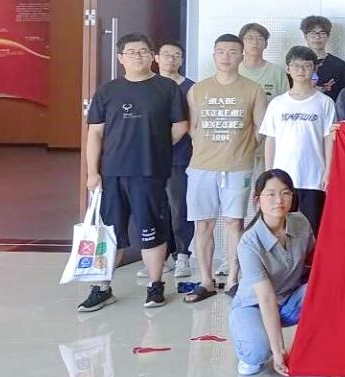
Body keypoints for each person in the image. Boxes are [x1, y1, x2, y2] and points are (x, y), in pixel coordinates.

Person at [79, 33, 188, 313]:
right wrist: (92, 172)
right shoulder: (107, 91)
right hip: (113, 174)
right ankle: (102, 288)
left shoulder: (166, 88)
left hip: (150, 173)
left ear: (152, 56)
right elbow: (95, 134)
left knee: (151, 230)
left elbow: (180, 126)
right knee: (110, 233)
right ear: (120, 58)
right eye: (131, 52)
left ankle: (155, 286)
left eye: (143, 51)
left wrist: (156, 147)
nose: (137, 56)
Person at [184, 34, 267, 303]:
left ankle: (233, 278)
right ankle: (206, 280)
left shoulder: (253, 90)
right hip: (201, 167)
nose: (226, 56)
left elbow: (261, 128)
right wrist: (207, 147)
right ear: (214, 56)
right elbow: (192, 126)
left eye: (232, 52)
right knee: (203, 224)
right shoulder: (198, 90)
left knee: (234, 223)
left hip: (238, 167)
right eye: (221, 51)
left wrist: (243, 149)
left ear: (241, 56)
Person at [229, 170, 314, 376]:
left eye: (285, 193)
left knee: (325, 288)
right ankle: (250, 346)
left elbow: (317, 263)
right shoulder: (249, 242)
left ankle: (317, 349)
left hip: (288, 301)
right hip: (254, 306)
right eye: (271, 194)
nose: (279, 200)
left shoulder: (300, 222)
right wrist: (278, 351)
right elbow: (266, 298)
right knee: (257, 353)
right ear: (258, 199)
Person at [260, 47, 336, 235]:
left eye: (306, 66)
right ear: (288, 69)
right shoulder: (277, 103)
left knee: (312, 230)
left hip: (314, 178)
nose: (301, 70)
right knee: (281, 228)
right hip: (283, 179)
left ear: (314, 69)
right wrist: (269, 174)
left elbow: (329, 140)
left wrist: (328, 172)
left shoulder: (325, 102)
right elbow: (271, 140)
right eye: (296, 66)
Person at [156, 41, 194, 280]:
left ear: (182, 60)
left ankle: (182, 255)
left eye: (176, 55)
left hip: (179, 157)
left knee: (179, 207)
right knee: (157, 208)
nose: (171, 59)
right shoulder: (148, 85)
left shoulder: (191, 88)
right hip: (150, 160)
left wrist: (160, 146)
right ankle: (161, 257)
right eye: (166, 55)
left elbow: (188, 124)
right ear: (156, 58)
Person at [299, 16, 345, 102]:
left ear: (328, 36)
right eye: (313, 33)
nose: (317, 37)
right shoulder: (297, 65)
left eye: (322, 33)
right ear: (305, 36)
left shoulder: (340, 66)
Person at [238, 22, 290, 98]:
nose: (255, 42)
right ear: (241, 43)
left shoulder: (277, 72)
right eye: (250, 38)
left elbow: (286, 101)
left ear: (266, 44)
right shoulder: (233, 71)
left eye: (260, 39)